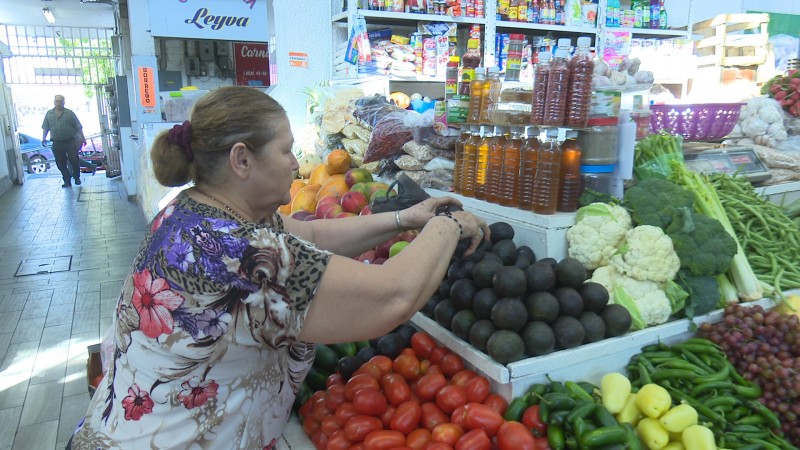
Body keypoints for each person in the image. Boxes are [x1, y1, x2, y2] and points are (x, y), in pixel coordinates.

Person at [68, 86, 489, 449]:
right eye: (285, 149)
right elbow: (394, 296)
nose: (294, 162)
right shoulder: (237, 255)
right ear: (242, 160)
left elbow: (311, 237)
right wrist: (448, 225)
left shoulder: (197, 212)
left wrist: (404, 218)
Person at [42, 95, 86, 187]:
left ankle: (76, 177)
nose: (58, 103)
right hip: (57, 142)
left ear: (64, 103)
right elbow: (46, 127)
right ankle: (67, 179)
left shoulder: (69, 113)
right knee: (60, 162)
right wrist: (44, 138)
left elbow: (78, 127)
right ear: (54, 102)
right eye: (57, 101)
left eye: (60, 101)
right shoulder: (49, 114)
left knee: (74, 159)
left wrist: (83, 138)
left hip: (70, 141)